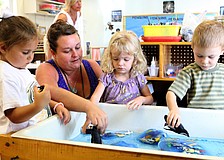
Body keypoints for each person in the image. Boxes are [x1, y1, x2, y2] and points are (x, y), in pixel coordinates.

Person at [0, 15, 70, 134]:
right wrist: (38, 106)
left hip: (32, 133)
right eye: (25, 52)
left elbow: (34, 97)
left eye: (33, 51)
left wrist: (55, 105)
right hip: (15, 140)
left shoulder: (20, 68)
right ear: (3, 48)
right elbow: (13, 115)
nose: (31, 57)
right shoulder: (5, 75)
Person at [36, 20, 107, 133]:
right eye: (67, 51)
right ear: (53, 53)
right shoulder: (46, 68)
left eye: (78, 47)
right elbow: (48, 91)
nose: (75, 55)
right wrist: (89, 106)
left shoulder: (92, 66)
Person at [166, 20, 224, 128]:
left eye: (211, 57)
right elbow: (172, 93)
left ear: (222, 50)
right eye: (199, 56)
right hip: (196, 122)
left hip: (219, 123)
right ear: (193, 48)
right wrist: (174, 109)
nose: (205, 61)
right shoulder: (189, 72)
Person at [90, 30, 154, 109]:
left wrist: (142, 99)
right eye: (116, 59)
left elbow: (150, 98)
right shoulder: (107, 77)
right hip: (111, 116)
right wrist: (91, 112)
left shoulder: (137, 77)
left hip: (132, 117)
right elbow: (95, 98)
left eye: (126, 59)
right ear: (110, 58)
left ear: (135, 59)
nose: (120, 63)